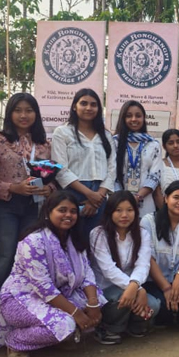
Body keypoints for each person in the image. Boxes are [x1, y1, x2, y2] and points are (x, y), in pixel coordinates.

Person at [0, 191, 104, 357]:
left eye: (73, 211)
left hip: (57, 296)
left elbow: (87, 273)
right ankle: (15, 340)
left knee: (98, 302)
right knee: (66, 324)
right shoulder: (33, 240)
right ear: (48, 212)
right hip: (22, 300)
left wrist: (93, 303)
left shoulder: (74, 239)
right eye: (62, 210)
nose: (68, 215)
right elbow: (44, 287)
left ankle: (57, 337)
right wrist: (76, 313)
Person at [0, 93, 54, 322]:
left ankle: (23, 321)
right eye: (18, 110)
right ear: (9, 113)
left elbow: (52, 178)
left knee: (29, 264)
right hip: (4, 207)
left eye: (29, 110)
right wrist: (13, 188)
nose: (23, 115)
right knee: (3, 262)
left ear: (36, 114)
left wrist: (48, 189)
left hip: (34, 208)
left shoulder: (44, 144)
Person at [89, 192, 159, 344]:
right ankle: (108, 328)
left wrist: (135, 285)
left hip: (132, 285)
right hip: (106, 288)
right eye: (118, 210)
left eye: (129, 210)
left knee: (154, 305)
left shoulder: (142, 233)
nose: (124, 215)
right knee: (121, 299)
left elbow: (143, 264)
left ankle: (132, 326)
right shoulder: (98, 234)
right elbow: (108, 270)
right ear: (110, 212)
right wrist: (137, 288)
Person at [52, 88, 115, 242]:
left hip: (100, 193)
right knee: (71, 241)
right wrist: (89, 194)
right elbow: (60, 169)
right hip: (72, 192)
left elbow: (112, 168)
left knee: (96, 242)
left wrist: (98, 197)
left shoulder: (106, 135)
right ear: (75, 106)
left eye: (93, 104)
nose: (89, 108)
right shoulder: (62, 132)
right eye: (84, 103)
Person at [141, 181, 179, 331]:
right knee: (164, 314)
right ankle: (170, 313)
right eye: (176, 197)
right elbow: (148, 258)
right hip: (154, 281)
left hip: (178, 278)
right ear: (166, 198)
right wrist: (166, 288)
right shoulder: (149, 221)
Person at [113, 101, 162, 218]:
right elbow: (111, 173)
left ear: (144, 118)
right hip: (118, 202)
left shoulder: (153, 144)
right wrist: (123, 199)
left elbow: (155, 175)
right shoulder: (114, 142)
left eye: (138, 116)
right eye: (129, 116)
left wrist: (138, 196)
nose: (134, 119)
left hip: (145, 203)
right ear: (122, 118)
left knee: (145, 229)